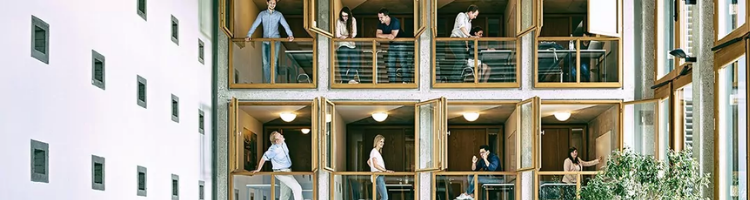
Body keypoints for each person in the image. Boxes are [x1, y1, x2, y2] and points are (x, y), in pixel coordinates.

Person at [245, 0, 294, 83]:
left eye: (274, 3)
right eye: (271, 3)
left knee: (274, 62)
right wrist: (248, 35)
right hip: (265, 40)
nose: (272, 5)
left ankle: (272, 82)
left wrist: (290, 35)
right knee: (265, 62)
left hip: (275, 40)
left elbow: (285, 25)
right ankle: (268, 82)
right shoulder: (262, 14)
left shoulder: (279, 15)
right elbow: (255, 25)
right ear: (267, 3)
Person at [252, 131, 303, 200]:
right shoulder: (273, 150)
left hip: (287, 171)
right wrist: (258, 169)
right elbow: (264, 158)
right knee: (297, 188)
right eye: (279, 136)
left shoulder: (283, 143)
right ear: (276, 141)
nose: (282, 136)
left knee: (285, 194)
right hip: (280, 172)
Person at [376, 8, 410, 83]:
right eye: (379, 17)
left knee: (403, 62)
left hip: (401, 44)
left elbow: (393, 36)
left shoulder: (395, 21)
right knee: (390, 64)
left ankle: (406, 81)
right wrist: (388, 35)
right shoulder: (380, 23)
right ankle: (392, 83)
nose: (380, 19)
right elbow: (377, 35)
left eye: (381, 17)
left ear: (387, 16)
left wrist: (385, 35)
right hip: (392, 45)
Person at [449, 5, 480, 82]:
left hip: (462, 42)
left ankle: (458, 79)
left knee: (464, 60)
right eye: (475, 15)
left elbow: (466, 36)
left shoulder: (470, 24)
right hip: (455, 40)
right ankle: (453, 80)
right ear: (470, 12)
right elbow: (461, 27)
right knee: (461, 59)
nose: (475, 17)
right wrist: (470, 36)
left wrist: (466, 47)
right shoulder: (461, 15)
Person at [336, 7, 360, 84]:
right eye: (343, 16)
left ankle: (350, 77)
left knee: (355, 61)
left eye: (346, 16)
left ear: (349, 15)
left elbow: (354, 33)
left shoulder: (353, 20)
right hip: (342, 44)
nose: (344, 18)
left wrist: (345, 36)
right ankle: (344, 80)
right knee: (343, 62)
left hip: (352, 44)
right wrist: (348, 36)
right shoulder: (339, 21)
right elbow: (337, 34)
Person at [367, 135, 393, 200]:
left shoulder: (375, 152)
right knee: (385, 197)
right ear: (377, 142)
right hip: (379, 176)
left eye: (383, 142)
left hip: (378, 176)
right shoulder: (374, 151)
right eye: (381, 141)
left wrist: (374, 168)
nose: (382, 143)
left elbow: (369, 162)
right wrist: (385, 170)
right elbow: (375, 164)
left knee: (382, 197)